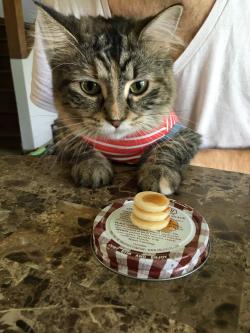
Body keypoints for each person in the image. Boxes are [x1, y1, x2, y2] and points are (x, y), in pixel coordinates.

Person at [31, 0, 250, 173]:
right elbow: (61, 128)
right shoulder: (64, 4)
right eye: (90, 87)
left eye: (138, 87)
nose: (115, 115)